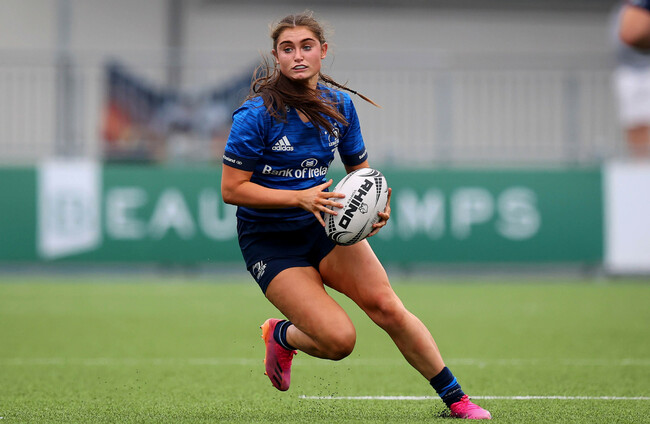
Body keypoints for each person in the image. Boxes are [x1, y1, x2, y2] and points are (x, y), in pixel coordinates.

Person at [220, 11, 491, 420]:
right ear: (277, 57)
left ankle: (456, 399)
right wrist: (299, 198)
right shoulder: (256, 115)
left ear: (323, 51)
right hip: (271, 242)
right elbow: (232, 190)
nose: (298, 56)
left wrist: (375, 206)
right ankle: (281, 334)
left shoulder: (340, 105)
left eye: (306, 46)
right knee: (339, 341)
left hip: (325, 226)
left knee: (387, 307)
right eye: (287, 49)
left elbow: (360, 175)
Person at [612, 1, 650, 158]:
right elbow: (626, 36)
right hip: (629, 70)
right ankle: (640, 164)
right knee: (634, 122)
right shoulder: (623, 10)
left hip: (647, 69)